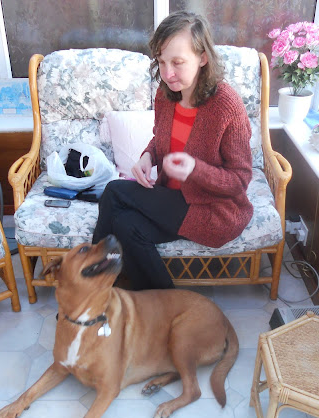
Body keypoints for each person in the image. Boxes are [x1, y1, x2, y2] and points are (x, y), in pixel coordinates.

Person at [92, 10, 253, 290]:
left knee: (115, 191)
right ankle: (163, 306)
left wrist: (195, 169)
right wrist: (147, 157)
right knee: (125, 224)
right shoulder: (166, 96)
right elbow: (160, 139)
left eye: (178, 62)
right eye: (162, 62)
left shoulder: (227, 106)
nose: (167, 73)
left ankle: (93, 288)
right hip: (172, 200)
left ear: (203, 58)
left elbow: (239, 181)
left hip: (212, 211)